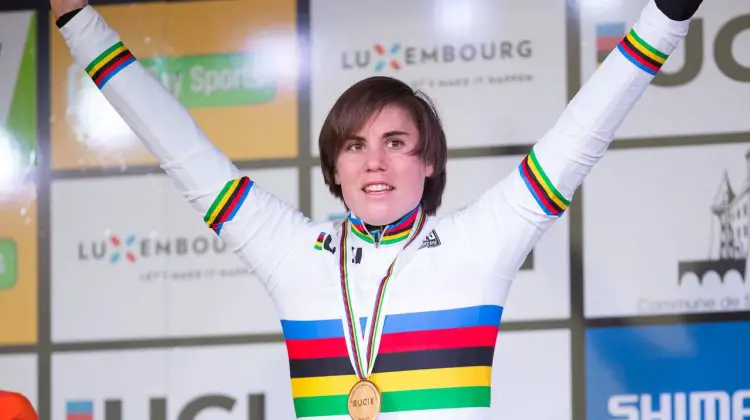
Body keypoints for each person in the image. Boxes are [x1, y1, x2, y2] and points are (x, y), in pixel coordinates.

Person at [50, 0, 704, 418]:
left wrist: (667, 17)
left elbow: (577, 138)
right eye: (355, 145)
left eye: (396, 143)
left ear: (429, 162)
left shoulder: (479, 244)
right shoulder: (295, 256)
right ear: (334, 168)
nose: (374, 162)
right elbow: (181, 149)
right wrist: (78, 17)